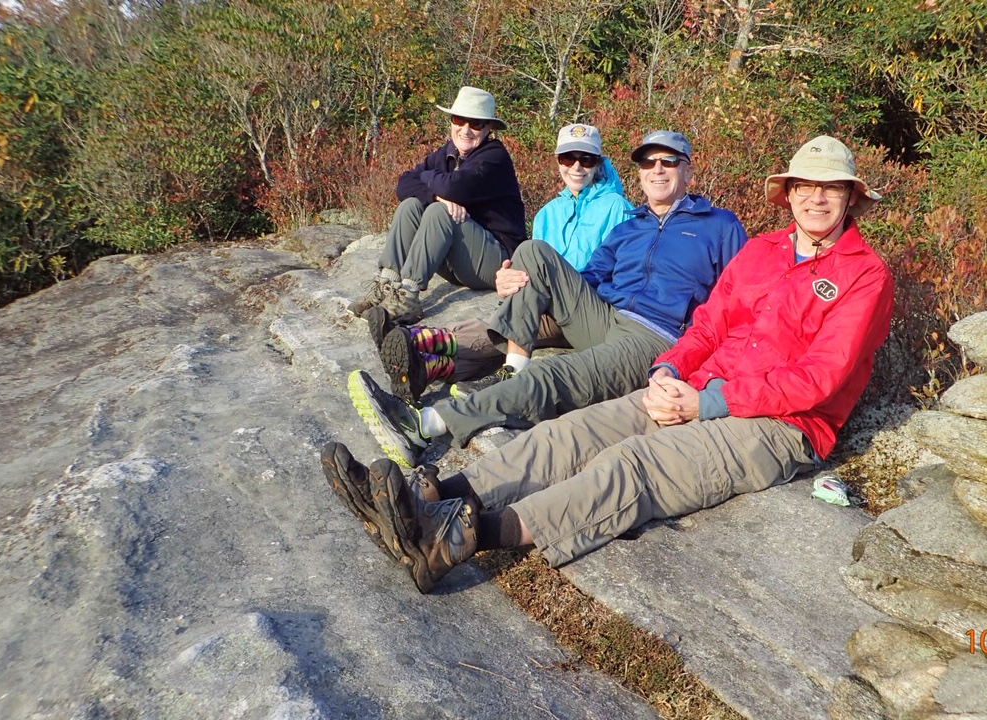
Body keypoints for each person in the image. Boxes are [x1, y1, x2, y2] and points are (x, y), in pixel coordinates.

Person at [320, 135, 895, 593]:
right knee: (571, 433)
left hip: (779, 424)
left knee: (633, 464)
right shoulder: (761, 250)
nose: (816, 198)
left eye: (831, 188)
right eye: (806, 186)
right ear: (788, 193)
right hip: (694, 384)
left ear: (851, 198)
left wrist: (708, 402)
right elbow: (709, 325)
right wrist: (669, 371)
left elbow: (820, 377)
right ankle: (427, 497)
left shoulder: (865, 274)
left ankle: (454, 538)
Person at [350, 130, 748, 468]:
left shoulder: (720, 226)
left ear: (688, 171)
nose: (657, 169)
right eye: (648, 162)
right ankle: (511, 367)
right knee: (533, 252)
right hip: (605, 315)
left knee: (555, 374)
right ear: (640, 172)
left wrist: (710, 375)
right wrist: (522, 283)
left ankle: (424, 426)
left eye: (669, 161)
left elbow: (740, 304)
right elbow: (589, 277)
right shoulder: (631, 225)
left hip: (654, 336)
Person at [365, 123, 633, 402]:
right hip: (548, 307)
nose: (576, 167)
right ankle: (428, 366)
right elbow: (534, 272)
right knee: (501, 325)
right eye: (568, 158)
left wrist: (551, 286)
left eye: (586, 159)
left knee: (512, 316)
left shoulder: (617, 207)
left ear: (598, 163)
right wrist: (511, 279)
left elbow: (620, 275)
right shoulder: (548, 213)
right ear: (558, 161)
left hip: (588, 310)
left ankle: (423, 342)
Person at [350, 86, 525, 324]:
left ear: (488, 129)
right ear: (451, 121)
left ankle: (408, 296)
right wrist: (435, 195)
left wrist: (428, 179)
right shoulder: (447, 152)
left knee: (439, 211)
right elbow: (404, 184)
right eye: (459, 120)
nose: (466, 130)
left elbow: (453, 188)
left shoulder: (495, 157)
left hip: (496, 262)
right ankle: (386, 284)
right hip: (458, 261)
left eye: (475, 124)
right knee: (411, 206)